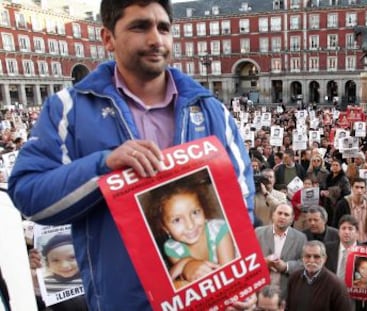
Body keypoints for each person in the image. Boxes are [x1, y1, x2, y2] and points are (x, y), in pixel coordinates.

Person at [7, 1, 255, 310]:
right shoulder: (66, 109)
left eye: (163, 27)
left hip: (207, 302)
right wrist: (103, 167)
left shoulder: (210, 109)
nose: (156, 39)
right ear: (108, 38)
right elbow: (27, 193)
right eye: (139, 27)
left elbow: (240, 198)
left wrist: (239, 279)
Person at [148, 184, 235, 288]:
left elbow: (230, 277)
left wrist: (184, 263)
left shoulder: (219, 230)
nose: (190, 225)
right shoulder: (172, 248)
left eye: (195, 212)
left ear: (203, 209)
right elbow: (171, 283)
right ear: (165, 228)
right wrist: (185, 264)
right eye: (177, 220)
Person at [255, 203, 307, 301]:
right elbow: (248, 257)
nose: (282, 217)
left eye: (286, 214)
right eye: (279, 213)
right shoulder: (258, 233)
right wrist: (263, 262)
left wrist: (285, 266)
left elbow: (304, 263)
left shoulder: (301, 238)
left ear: (292, 219)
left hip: (286, 292)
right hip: (260, 289)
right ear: (273, 215)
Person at [286, 240, 351, 311]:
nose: (311, 260)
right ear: (302, 258)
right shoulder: (294, 278)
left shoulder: (336, 285)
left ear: (324, 258)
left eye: (316, 257)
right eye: (308, 256)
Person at [333, 177, 367, 246]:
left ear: (365, 189)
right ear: (352, 188)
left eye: (362, 187)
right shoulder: (343, 204)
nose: (359, 190)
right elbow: (336, 225)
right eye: (356, 187)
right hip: (348, 243)